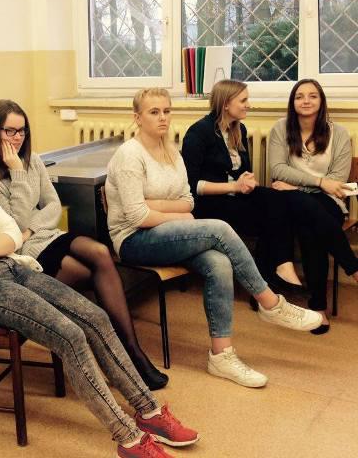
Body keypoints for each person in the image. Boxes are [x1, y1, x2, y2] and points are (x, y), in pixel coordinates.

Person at [0, 127, 199, 458]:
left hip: (12, 267)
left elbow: (13, 234)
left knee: (94, 316)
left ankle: (148, 410)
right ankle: (128, 438)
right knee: (69, 336)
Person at [106, 88, 322, 388]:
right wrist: (176, 215)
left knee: (218, 262)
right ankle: (270, 303)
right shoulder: (129, 155)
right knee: (218, 228)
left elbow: (188, 201)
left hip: (166, 233)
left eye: (167, 111)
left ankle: (221, 356)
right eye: (154, 112)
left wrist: (158, 206)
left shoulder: (171, 151)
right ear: (137, 118)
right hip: (134, 240)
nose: (163, 117)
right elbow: (137, 217)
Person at [0, 99, 167, 390]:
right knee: (84, 274)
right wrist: (17, 173)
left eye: (22, 131)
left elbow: (53, 205)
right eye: (10, 131)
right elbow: (13, 222)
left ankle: (132, 351)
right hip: (21, 252)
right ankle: (112, 356)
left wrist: (31, 228)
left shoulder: (33, 160)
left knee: (100, 252)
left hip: (44, 235)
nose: (17, 138)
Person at [181, 79, 304, 293]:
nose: (248, 105)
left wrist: (247, 181)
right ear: (226, 104)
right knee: (269, 216)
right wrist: (235, 187)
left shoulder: (239, 129)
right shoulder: (198, 133)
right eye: (243, 100)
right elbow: (192, 186)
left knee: (278, 200)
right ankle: (271, 277)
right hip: (209, 204)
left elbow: (240, 172)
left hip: (235, 197)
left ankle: (276, 271)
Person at [268, 78, 358, 333]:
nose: (305, 101)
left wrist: (297, 187)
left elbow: (337, 181)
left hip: (327, 203)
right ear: (292, 102)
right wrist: (319, 181)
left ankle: (317, 307)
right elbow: (277, 169)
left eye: (312, 96)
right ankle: (350, 270)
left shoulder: (339, 133)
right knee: (308, 222)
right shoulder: (281, 128)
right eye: (299, 96)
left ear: (321, 101)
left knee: (311, 226)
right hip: (291, 203)